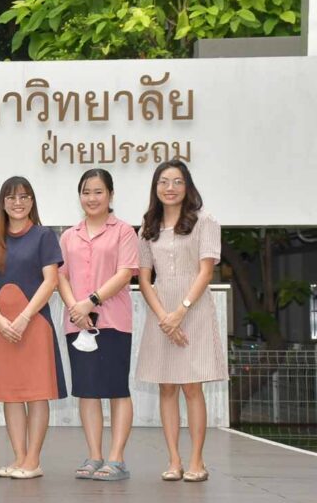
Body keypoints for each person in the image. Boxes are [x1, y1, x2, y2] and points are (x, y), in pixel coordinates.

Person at [136, 161, 225, 483]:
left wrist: (181, 311)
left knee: (192, 386)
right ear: (155, 187)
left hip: (194, 310)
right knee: (167, 386)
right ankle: (174, 460)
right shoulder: (147, 226)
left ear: (187, 186)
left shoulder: (204, 221)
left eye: (177, 181)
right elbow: (144, 278)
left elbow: (206, 271)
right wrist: (164, 316)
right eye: (163, 182)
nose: (170, 188)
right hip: (160, 312)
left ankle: (197, 460)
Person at [0, 176, 65, 480]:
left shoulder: (44, 236)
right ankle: (18, 457)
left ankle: (33, 460)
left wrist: (25, 317)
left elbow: (51, 281)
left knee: (37, 393)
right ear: (2, 203)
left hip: (34, 323)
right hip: (0, 327)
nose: (18, 203)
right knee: (11, 394)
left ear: (32, 201)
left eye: (24, 197)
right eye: (12, 197)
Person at [57, 169, 138, 481]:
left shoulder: (124, 232)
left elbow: (125, 273)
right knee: (87, 390)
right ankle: (94, 455)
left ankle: (117, 459)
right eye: (86, 192)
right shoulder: (69, 236)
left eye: (98, 191)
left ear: (111, 195)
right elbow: (61, 276)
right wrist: (75, 308)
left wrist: (90, 301)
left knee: (116, 388)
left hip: (113, 321)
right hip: (77, 323)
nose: (92, 198)